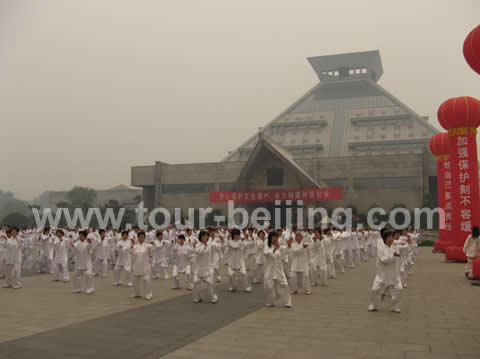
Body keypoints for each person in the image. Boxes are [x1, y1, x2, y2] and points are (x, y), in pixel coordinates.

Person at [368, 230, 402, 313]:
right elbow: (384, 260)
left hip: (394, 274)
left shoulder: (396, 247)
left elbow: (404, 250)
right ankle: (373, 305)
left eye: (392, 237)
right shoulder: (381, 249)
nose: (391, 239)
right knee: (375, 290)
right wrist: (392, 255)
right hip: (382, 274)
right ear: (385, 239)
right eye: (389, 237)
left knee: (399, 289)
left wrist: (409, 243)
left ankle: (395, 307)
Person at [263, 231, 292, 308]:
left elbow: (285, 251)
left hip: (279, 270)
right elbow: (267, 254)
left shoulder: (280, 247)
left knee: (284, 285)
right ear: (270, 238)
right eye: (273, 237)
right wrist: (274, 249)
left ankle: (288, 302)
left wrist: (289, 245)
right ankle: (270, 301)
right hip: (270, 270)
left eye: (276, 237)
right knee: (269, 286)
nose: (275, 239)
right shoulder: (267, 246)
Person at [192, 230, 218, 304]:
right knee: (195, 282)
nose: (204, 238)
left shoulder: (210, 244)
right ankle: (197, 297)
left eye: (206, 236)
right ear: (200, 237)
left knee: (209, 284)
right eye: (203, 236)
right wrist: (205, 246)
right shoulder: (198, 245)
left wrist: (221, 241)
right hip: (199, 268)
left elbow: (217, 245)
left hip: (207, 268)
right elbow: (199, 252)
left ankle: (213, 297)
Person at [227, 228, 252, 293]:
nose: (237, 236)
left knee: (244, 274)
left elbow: (249, 245)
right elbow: (235, 246)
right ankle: (233, 286)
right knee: (231, 275)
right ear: (233, 235)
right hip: (232, 262)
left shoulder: (242, 242)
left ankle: (247, 287)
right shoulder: (230, 242)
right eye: (235, 235)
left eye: (238, 235)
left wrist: (250, 240)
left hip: (240, 262)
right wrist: (242, 241)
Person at [131, 231, 153, 300]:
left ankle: (148, 294)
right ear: (137, 238)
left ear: (144, 238)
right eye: (140, 237)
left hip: (145, 265)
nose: (141, 238)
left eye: (143, 237)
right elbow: (132, 255)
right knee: (135, 280)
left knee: (146, 280)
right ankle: (137, 293)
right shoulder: (135, 246)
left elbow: (151, 253)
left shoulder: (148, 246)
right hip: (137, 265)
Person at [71, 230, 95, 294]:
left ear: (85, 236)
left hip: (87, 263)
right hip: (79, 263)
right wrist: (72, 246)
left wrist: (90, 243)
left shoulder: (87, 243)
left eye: (81, 236)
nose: (80, 237)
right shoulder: (77, 243)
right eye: (79, 236)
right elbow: (74, 248)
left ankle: (90, 288)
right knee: (76, 275)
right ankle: (78, 288)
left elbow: (91, 250)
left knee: (88, 274)